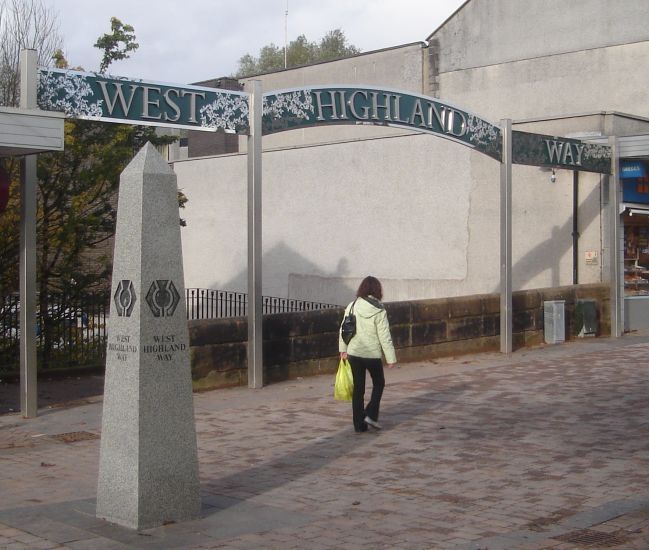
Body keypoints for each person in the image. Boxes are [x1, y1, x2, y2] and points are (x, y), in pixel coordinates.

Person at [339, 276, 397, 433]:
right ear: (378, 290)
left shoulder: (352, 305)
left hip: (354, 353)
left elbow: (344, 329)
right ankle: (371, 413)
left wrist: (343, 350)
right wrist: (390, 358)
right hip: (372, 355)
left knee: (358, 389)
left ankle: (359, 425)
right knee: (379, 383)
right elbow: (384, 336)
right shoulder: (379, 309)